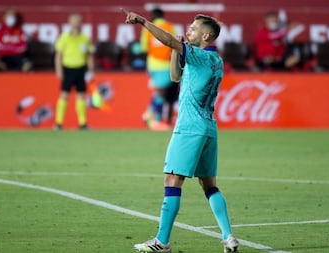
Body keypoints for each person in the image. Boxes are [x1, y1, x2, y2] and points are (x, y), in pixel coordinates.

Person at [121, 8, 239, 253]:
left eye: (194, 28)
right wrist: (177, 49)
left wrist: (143, 21)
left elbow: (167, 39)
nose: (189, 30)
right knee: (209, 185)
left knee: (172, 179)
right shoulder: (215, 60)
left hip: (189, 128)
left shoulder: (200, 56)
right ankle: (228, 237)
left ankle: (161, 242)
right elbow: (175, 76)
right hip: (208, 129)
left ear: (206, 37)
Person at [54, 13, 95, 130]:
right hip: (68, 68)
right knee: (64, 95)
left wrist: (91, 70)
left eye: (78, 21)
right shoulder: (64, 37)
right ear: (69, 23)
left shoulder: (85, 38)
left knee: (81, 96)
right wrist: (58, 69)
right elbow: (58, 55)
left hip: (81, 69)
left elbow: (89, 56)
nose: (76, 23)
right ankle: (58, 123)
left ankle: (83, 123)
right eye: (73, 21)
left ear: (81, 23)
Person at [140, 8, 178, 130]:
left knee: (160, 92)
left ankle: (154, 118)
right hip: (165, 64)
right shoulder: (170, 27)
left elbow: (143, 48)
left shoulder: (147, 28)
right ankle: (150, 115)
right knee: (161, 93)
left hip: (152, 64)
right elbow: (176, 44)